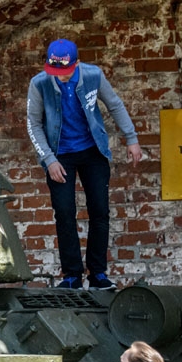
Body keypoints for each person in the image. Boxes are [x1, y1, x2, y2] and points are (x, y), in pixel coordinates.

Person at [25, 38, 142, 289]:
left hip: (93, 151)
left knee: (100, 211)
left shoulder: (93, 75)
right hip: (59, 154)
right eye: (55, 72)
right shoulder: (39, 84)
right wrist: (49, 160)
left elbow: (115, 105)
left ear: (76, 64)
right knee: (65, 213)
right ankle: (71, 276)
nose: (61, 77)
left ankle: (98, 274)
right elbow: (33, 123)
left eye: (65, 72)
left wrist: (131, 139)